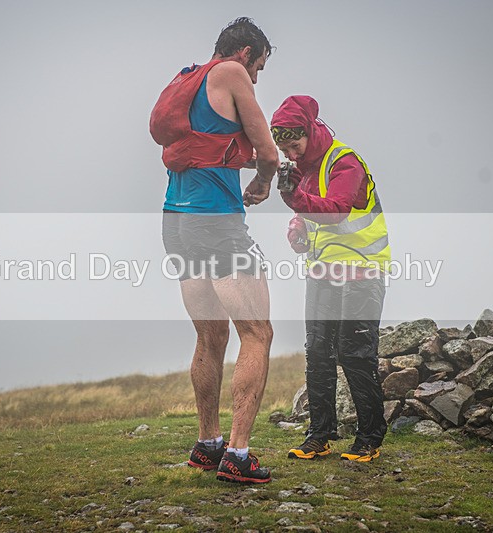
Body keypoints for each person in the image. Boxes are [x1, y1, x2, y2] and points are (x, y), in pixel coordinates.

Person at [149, 17, 279, 483]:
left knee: (210, 336)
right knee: (257, 333)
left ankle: (208, 444)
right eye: (259, 66)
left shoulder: (193, 78)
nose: (257, 78)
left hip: (176, 220)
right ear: (246, 53)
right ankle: (239, 457)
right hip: (216, 221)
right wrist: (263, 183)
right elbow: (268, 153)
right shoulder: (231, 73)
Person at [271, 95, 390, 462]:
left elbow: (336, 212)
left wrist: (294, 200)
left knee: (356, 355)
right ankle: (319, 435)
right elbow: (308, 214)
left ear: (308, 132)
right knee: (318, 354)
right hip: (322, 272)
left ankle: (370, 438)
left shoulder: (345, 162)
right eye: (285, 149)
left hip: (362, 271)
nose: (290, 153)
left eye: (294, 145)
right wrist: (296, 231)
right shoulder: (304, 169)